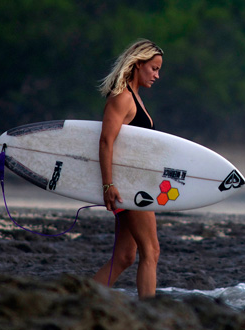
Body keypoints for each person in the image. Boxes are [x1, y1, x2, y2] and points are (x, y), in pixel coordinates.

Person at [92, 39, 163, 297]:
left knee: (124, 256)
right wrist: (108, 185)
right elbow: (106, 140)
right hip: (128, 187)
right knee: (151, 251)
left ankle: (83, 302)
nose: (157, 75)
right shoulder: (122, 98)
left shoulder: (135, 98)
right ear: (137, 64)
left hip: (133, 184)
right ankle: (149, 313)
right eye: (153, 68)